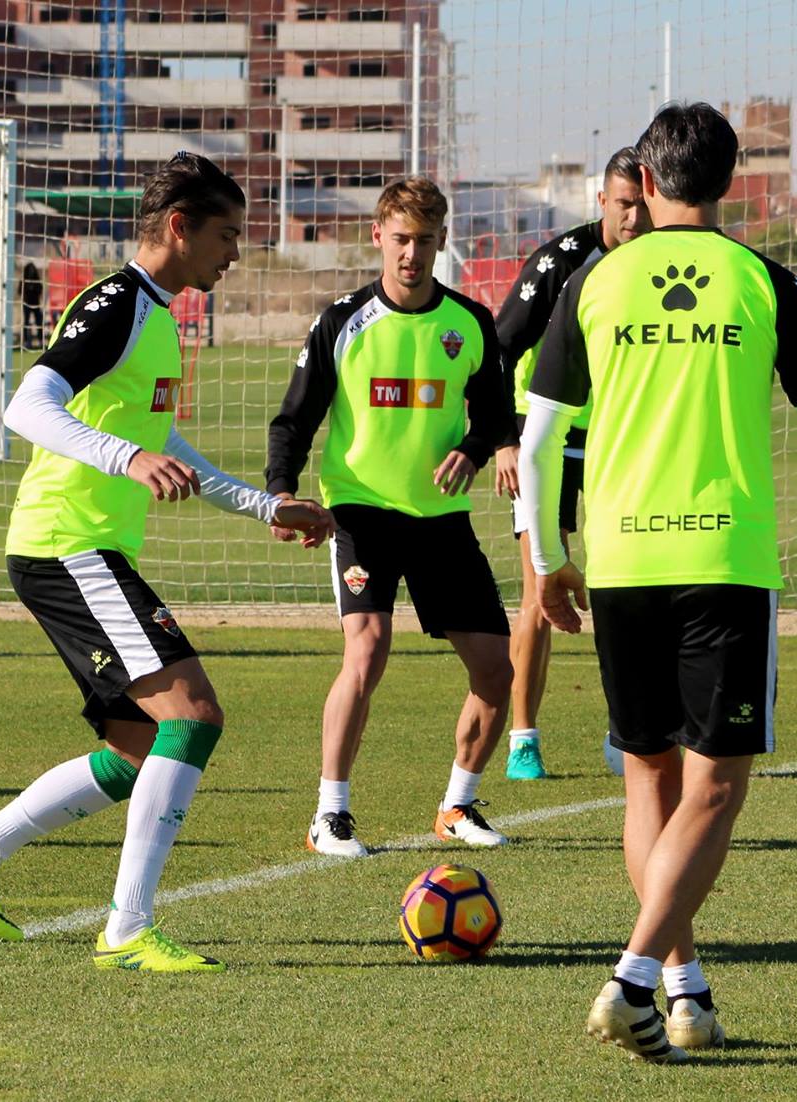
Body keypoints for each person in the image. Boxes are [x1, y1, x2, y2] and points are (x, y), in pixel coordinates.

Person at [521, 103, 797, 1063]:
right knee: (716, 788)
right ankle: (635, 978)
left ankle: (684, 991)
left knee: (650, 776)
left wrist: (546, 555)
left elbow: (540, 435)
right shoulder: (762, 280)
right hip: (722, 560)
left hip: (623, 559)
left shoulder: (597, 281)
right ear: (732, 179)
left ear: (644, 176)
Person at [0, 153, 333, 972]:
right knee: (193, 716)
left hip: (78, 548)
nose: (235, 254)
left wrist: (263, 505)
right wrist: (124, 460)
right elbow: (26, 405)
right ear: (178, 228)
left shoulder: (157, 319)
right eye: (226, 235)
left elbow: (162, 444)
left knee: (138, 750)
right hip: (67, 543)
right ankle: (129, 928)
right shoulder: (115, 302)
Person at [265, 176, 517, 858]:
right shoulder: (341, 322)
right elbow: (294, 419)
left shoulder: (469, 322)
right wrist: (280, 492)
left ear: (441, 243)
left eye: (425, 241)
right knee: (368, 648)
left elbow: (496, 415)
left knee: (497, 672)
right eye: (401, 239)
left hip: (441, 520)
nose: (412, 253)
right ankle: (330, 813)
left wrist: (472, 449)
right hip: (361, 513)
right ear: (378, 237)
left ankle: (458, 806)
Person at [494, 146, 651, 780]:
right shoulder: (562, 261)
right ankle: (523, 737)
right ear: (601, 202)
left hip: (621, 444)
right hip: (547, 439)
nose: (635, 218)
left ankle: (629, 730)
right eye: (623, 205)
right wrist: (506, 440)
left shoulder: (659, 265)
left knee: (632, 585)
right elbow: (497, 350)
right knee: (540, 588)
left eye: (644, 204)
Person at [20, 260, 45, 349]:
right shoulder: (24, 280)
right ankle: (26, 341)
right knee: (26, 322)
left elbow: (40, 289)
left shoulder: (36, 280)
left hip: (35, 304)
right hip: (26, 304)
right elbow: (20, 291)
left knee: (39, 322)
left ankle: (40, 340)